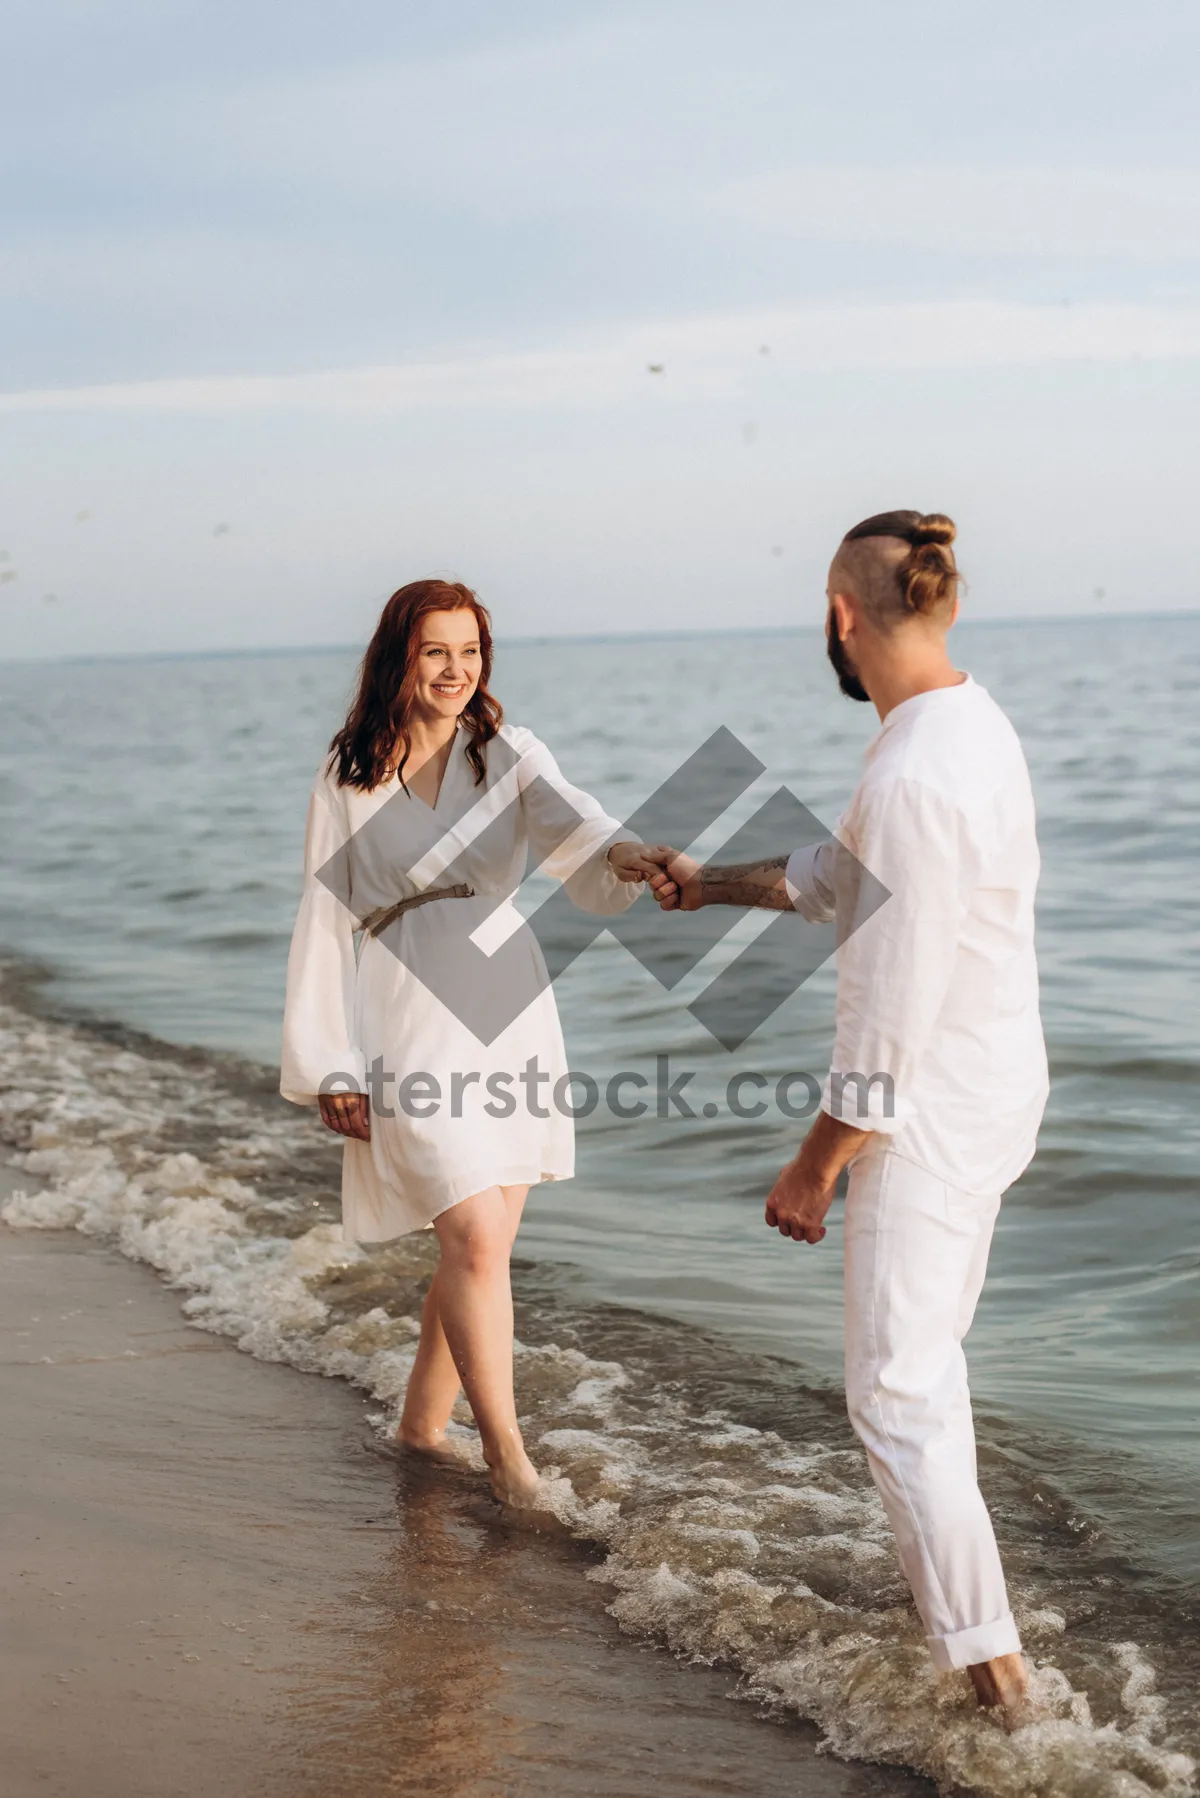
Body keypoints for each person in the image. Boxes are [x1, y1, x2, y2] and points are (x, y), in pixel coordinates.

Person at [646, 512, 1047, 1717]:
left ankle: (1000, 1687)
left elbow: (888, 1006)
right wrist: (704, 881)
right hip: (988, 1086)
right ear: (946, 606)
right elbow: (838, 876)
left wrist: (816, 1164)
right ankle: (969, 1632)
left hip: (929, 1112)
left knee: (894, 1393)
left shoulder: (918, 768)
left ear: (839, 616)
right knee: (925, 1374)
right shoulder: (960, 723)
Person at [280, 579, 656, 1506]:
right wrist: (329, 1059)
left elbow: (582, 827)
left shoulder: (509, 752)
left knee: (476, 1247)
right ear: (400, 658)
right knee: (475, 1233)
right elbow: (324, 918)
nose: (457, 670)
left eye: (472, 651)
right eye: (436, 651)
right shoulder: (349, 771)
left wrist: (635, 857)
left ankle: (419, 1424)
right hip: (403, 997)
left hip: (510, 995)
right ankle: (508, 1460)